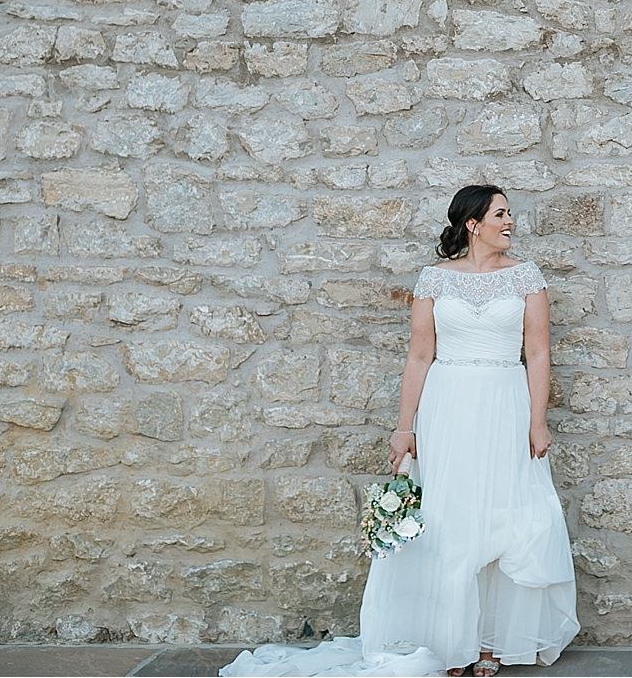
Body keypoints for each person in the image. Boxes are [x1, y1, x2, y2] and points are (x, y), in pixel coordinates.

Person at [223, 186, 578, 678]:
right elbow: (419, 356)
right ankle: (451, 642)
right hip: (448, 404)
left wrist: (537, 420)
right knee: (449, 520)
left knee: (506, 514)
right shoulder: (435, 279)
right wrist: (403, 427)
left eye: (510, 214)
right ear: (473, 224)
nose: (510, 221)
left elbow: (538, 354)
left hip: (505, 402)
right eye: (501, 214)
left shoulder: (526, 278)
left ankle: (492, 644)